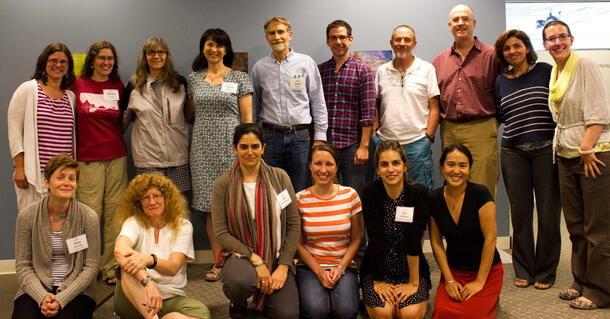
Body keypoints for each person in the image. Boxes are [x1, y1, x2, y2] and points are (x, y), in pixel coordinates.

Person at [543, 20, 610, 310]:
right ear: (545, 44)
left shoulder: (585, 66)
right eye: (550, 39)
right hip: (568, 155)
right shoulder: (557, 72)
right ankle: (580, 280)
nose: (557, 42)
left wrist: (586, 148)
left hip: (592, 154)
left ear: (571, 38)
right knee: (576, 226)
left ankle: (601, 290)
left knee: (598, 227)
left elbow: (599, 112)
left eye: (561, 37)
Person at [493, 30, 561, 290]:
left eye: (517, 46)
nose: (512, 51)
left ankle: (545, 271)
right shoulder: (501, 80)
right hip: (513, 152)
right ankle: (524, 268)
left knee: (548, 212)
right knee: (520, 214)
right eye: (507, 48)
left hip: (546, 150)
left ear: (527, 47)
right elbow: (501, 115)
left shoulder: (544, 71)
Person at [211, 123, 300, 318]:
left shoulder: (280, 177)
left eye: (255, 146)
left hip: (276, 259)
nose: (249, 152)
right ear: (235, 149)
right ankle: (238, 302)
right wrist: (256, 261)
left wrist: (283, 267)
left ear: (263, 148)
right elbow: (221, 233)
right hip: (241, 257)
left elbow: (293, 225)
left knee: (288, 315)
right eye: (244, 147)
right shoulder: (223, 184)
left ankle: (267, 297)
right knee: (240, 283)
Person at [187, 28, 253, 282]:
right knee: (210, 208)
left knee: (236, 205)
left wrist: (246, 151)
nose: (214, 49)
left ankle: (239, 258)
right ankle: (218, 262)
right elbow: (191, 115)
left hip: (231, 149)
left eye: (219, 45)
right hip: (202, 150)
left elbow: (247, 121)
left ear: (227, 49)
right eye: (209, 44)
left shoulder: (239, 78)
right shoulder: (193, 79)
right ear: (203, 48)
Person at [13, 153, 100, 319]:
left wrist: (61, 299)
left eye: (71, 178)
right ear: (47, 182)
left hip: (78, 290)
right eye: (60, 177)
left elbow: (91, 267)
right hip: (36, 287)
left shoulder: (88, 217)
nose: (66, 183)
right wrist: (42, 297)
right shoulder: (27, 217)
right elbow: (23, 266)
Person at [113, 173, 210, 319]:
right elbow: (120, 250)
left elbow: (172, 268)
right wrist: (148, 282)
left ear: (166, 198)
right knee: (127, 268)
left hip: (169, 298)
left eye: (157, 196)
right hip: (135, 298)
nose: (152, 202)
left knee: (201, 313)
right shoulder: (133, 223)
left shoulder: (183, 226)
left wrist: (149, 260)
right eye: (146, 198)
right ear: (138, 202)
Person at [70, 40, 127, 285]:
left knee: (116, 214)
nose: (106, 62)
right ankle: (87, 268)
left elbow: (123, 119)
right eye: (102, 58)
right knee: (90, 214)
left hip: (117, 156)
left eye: (110, 58)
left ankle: (111, 267)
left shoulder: (118, 85)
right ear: (92, 60)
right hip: (87, 159)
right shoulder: (77, 84)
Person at [251, 16, 328, 192]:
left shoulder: (306, 63)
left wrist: (320, 137)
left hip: (300, 137)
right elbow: (255, 106)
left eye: (281, 32)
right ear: (266, 37)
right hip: (270, 137)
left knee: (300, 189)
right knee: (272, 189)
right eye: (272, 33)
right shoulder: (259, 68)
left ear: (290, 35)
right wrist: (253, 136)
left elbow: (318, 102)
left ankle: (297, 221)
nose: (277, 37)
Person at [432, 4, 500, 197]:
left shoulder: (491, 55)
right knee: (453, 187)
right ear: (449, 25)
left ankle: (483, 229)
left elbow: (503, 93)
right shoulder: (439, 60)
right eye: (455, 20)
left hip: (482, 128)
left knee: (483, 187)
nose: (460, 23)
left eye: (465, 19)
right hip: (449, 129)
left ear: (474, 23)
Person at [429, 144, 503, 319]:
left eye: (462, 165)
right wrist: (448, 280)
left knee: (470, 315)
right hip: (454, 270)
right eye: (451, 164)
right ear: (442, 167)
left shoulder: (480, 194)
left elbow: (491, 239)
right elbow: (436, 242)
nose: (456, 171)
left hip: (486, 271)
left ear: (469, 169)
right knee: (442, 312)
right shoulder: (433, 198)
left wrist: (479, 282)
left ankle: (491, 295)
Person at [360, 140, 431, 319]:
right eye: (384, 164)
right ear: (377, 169)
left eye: (396, 163)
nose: (391, 169)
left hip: (411, 269)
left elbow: (414, 241)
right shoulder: (370, 192)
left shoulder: (419, 193)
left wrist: (413, 283)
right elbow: (375, 238)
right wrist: (378, 281)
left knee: (409, 313)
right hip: (378, 267)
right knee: (383, 312)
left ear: (405, 166)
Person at [295, 143, 364, 319]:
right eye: (318, 164)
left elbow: (357, 238)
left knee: (346, 311)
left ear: (337, 166)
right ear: (310, 166)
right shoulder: (300, 199)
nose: (323, 170)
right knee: (316, 311)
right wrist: (319, 271)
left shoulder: (350, 195)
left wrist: (340, 268)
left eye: (329, 164)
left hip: (343, 264)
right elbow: (299, 244)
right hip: (311, 266)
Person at [8, 43, 76, 212]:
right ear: (44, 63)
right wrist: (20, 167)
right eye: (53, 60)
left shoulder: (71, 97)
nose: (58, 65)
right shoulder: (28, 90)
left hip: (64, 176)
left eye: (63, 62)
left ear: (68, 67)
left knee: (62, 227)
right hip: (36, 175)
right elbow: (14, 130)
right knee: (34, 225)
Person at [374, 25, 440, 189]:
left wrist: (428, 137)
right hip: (386, 143)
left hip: (417, 143)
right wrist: (375, 134)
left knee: (421, 194)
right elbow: (375, 104)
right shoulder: (382, 71)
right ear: (391, 42)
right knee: (387, 193)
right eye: (398, 39)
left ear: (414, 43)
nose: (402, 43)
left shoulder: (426, 69)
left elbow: (435, 107)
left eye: (407, 40)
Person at [122, 37, 191, 194]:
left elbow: (189, 115)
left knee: (176, 211)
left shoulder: (180, 83)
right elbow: (121, 123)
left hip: (177, 159)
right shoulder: (134, 85)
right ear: (145, 56)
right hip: (148, 160)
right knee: (149, 208)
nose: (156, 56)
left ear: (167, 55)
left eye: (161, 52)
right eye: (151, 52)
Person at [318, 19, 375, 196]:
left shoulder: (363, 71)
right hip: (326, 145)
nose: (338, 42)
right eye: (333, 38)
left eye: (342, 37)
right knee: (327, 195)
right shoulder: (320, 71)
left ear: (350, 39)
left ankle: (358, 226)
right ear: (327, 41)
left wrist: (364, 147)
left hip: (353, 146)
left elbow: (368, 112)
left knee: (355, 196)